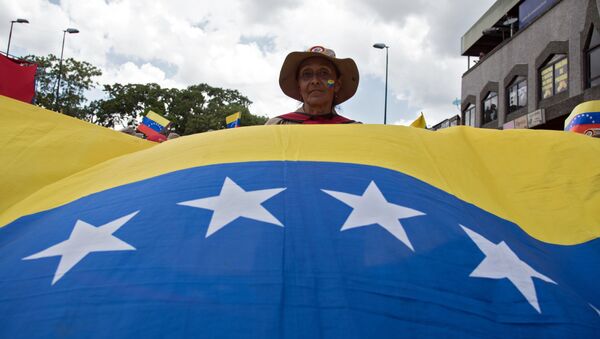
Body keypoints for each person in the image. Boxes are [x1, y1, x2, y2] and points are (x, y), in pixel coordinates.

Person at [266, 46, 360, 124]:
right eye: (307, 74)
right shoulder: (276, 126)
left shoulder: (355, 132)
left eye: (324, 73)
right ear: (299, 86)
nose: (315, 81)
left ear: (337, 85)